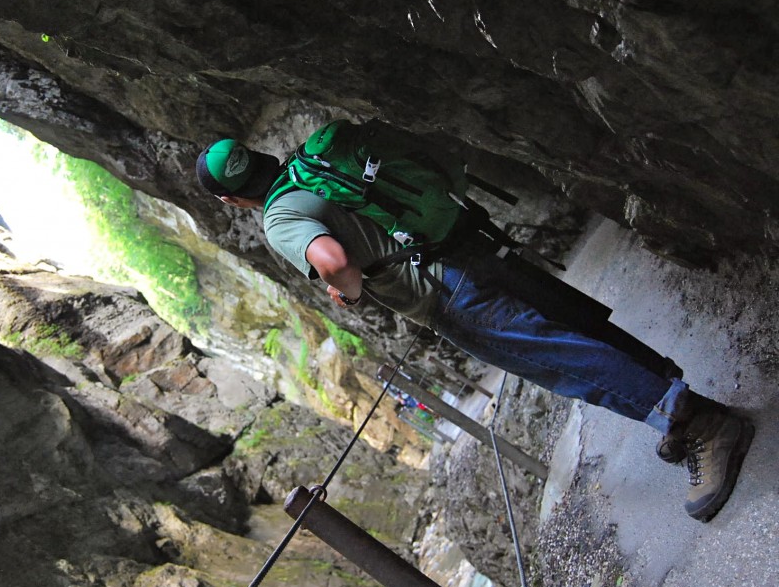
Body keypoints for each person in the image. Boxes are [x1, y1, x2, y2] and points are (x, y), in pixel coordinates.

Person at [195, 123, 755, 523]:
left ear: (230, 199)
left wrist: (349, 294)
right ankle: (673, 399)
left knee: (556, 355)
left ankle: (701, 423)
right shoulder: (315, 161)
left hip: (446, 293)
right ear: (259, 157)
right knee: (573, 328)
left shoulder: (279, 215)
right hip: (469, 244)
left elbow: (336, 263)